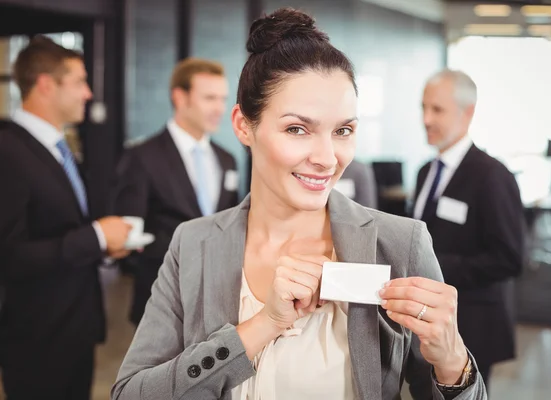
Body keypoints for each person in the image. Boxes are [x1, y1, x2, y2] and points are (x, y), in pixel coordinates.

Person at [111, 8, 487, 400]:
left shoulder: (399, 243)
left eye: (343, 130)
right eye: (297, 129)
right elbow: (130, 393)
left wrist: (452, 361)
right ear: (243, 125)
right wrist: (262, 325)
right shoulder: (193, 244)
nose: (327, 157)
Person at [0, 36, 132, 399]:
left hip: (76, 329)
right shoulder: (8, 152)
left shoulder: (59, 146)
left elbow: (60, 228)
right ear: (46, 84)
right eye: (79, 82)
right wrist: (97, 238)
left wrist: (105, 247)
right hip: (36, 337)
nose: (88, 93)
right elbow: (9, 256)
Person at [413, 69, 524, 389]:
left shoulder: (492, 176)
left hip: (472, 324)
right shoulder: (425, 173)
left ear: (468, 113)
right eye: (423, 108)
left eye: (437, 110)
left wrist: (433, 266)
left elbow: (509, 258)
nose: (426, 119)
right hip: (428, 324)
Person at [112, 57, 239, 325]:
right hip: (161, 298)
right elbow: (129, 232)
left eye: (222, 98)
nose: (220, 108)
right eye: (209, 98)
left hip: (217, 300)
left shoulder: (227, 159)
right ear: (180, 98)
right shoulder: (142, 156)